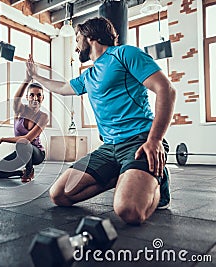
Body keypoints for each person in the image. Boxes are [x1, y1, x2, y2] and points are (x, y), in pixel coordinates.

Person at [26, 17, 176, 224]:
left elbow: (165, 89)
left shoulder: (125, 54)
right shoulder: (88, 76)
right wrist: (36, 76)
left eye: (78, 39)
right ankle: (123, 175)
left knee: (128, 211)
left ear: (91, 37)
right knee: (59, 194)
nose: (76, 47)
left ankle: (158, 183)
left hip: (139, 140)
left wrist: (156, 139)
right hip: (108, 148)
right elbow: (61, 87)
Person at [0, 71, 49, 183]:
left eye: (39, 95)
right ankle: (20, 172)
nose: (35, 98)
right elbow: (16, 99)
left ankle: (29, 171)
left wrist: (2, 139)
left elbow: (27, 139)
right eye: (32, 95)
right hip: (21, 151)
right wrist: (26, 80)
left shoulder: (43, 117)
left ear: (43, 98)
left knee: (23, 143)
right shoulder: (20, 110)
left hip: (37, 154)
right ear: (27, 97)